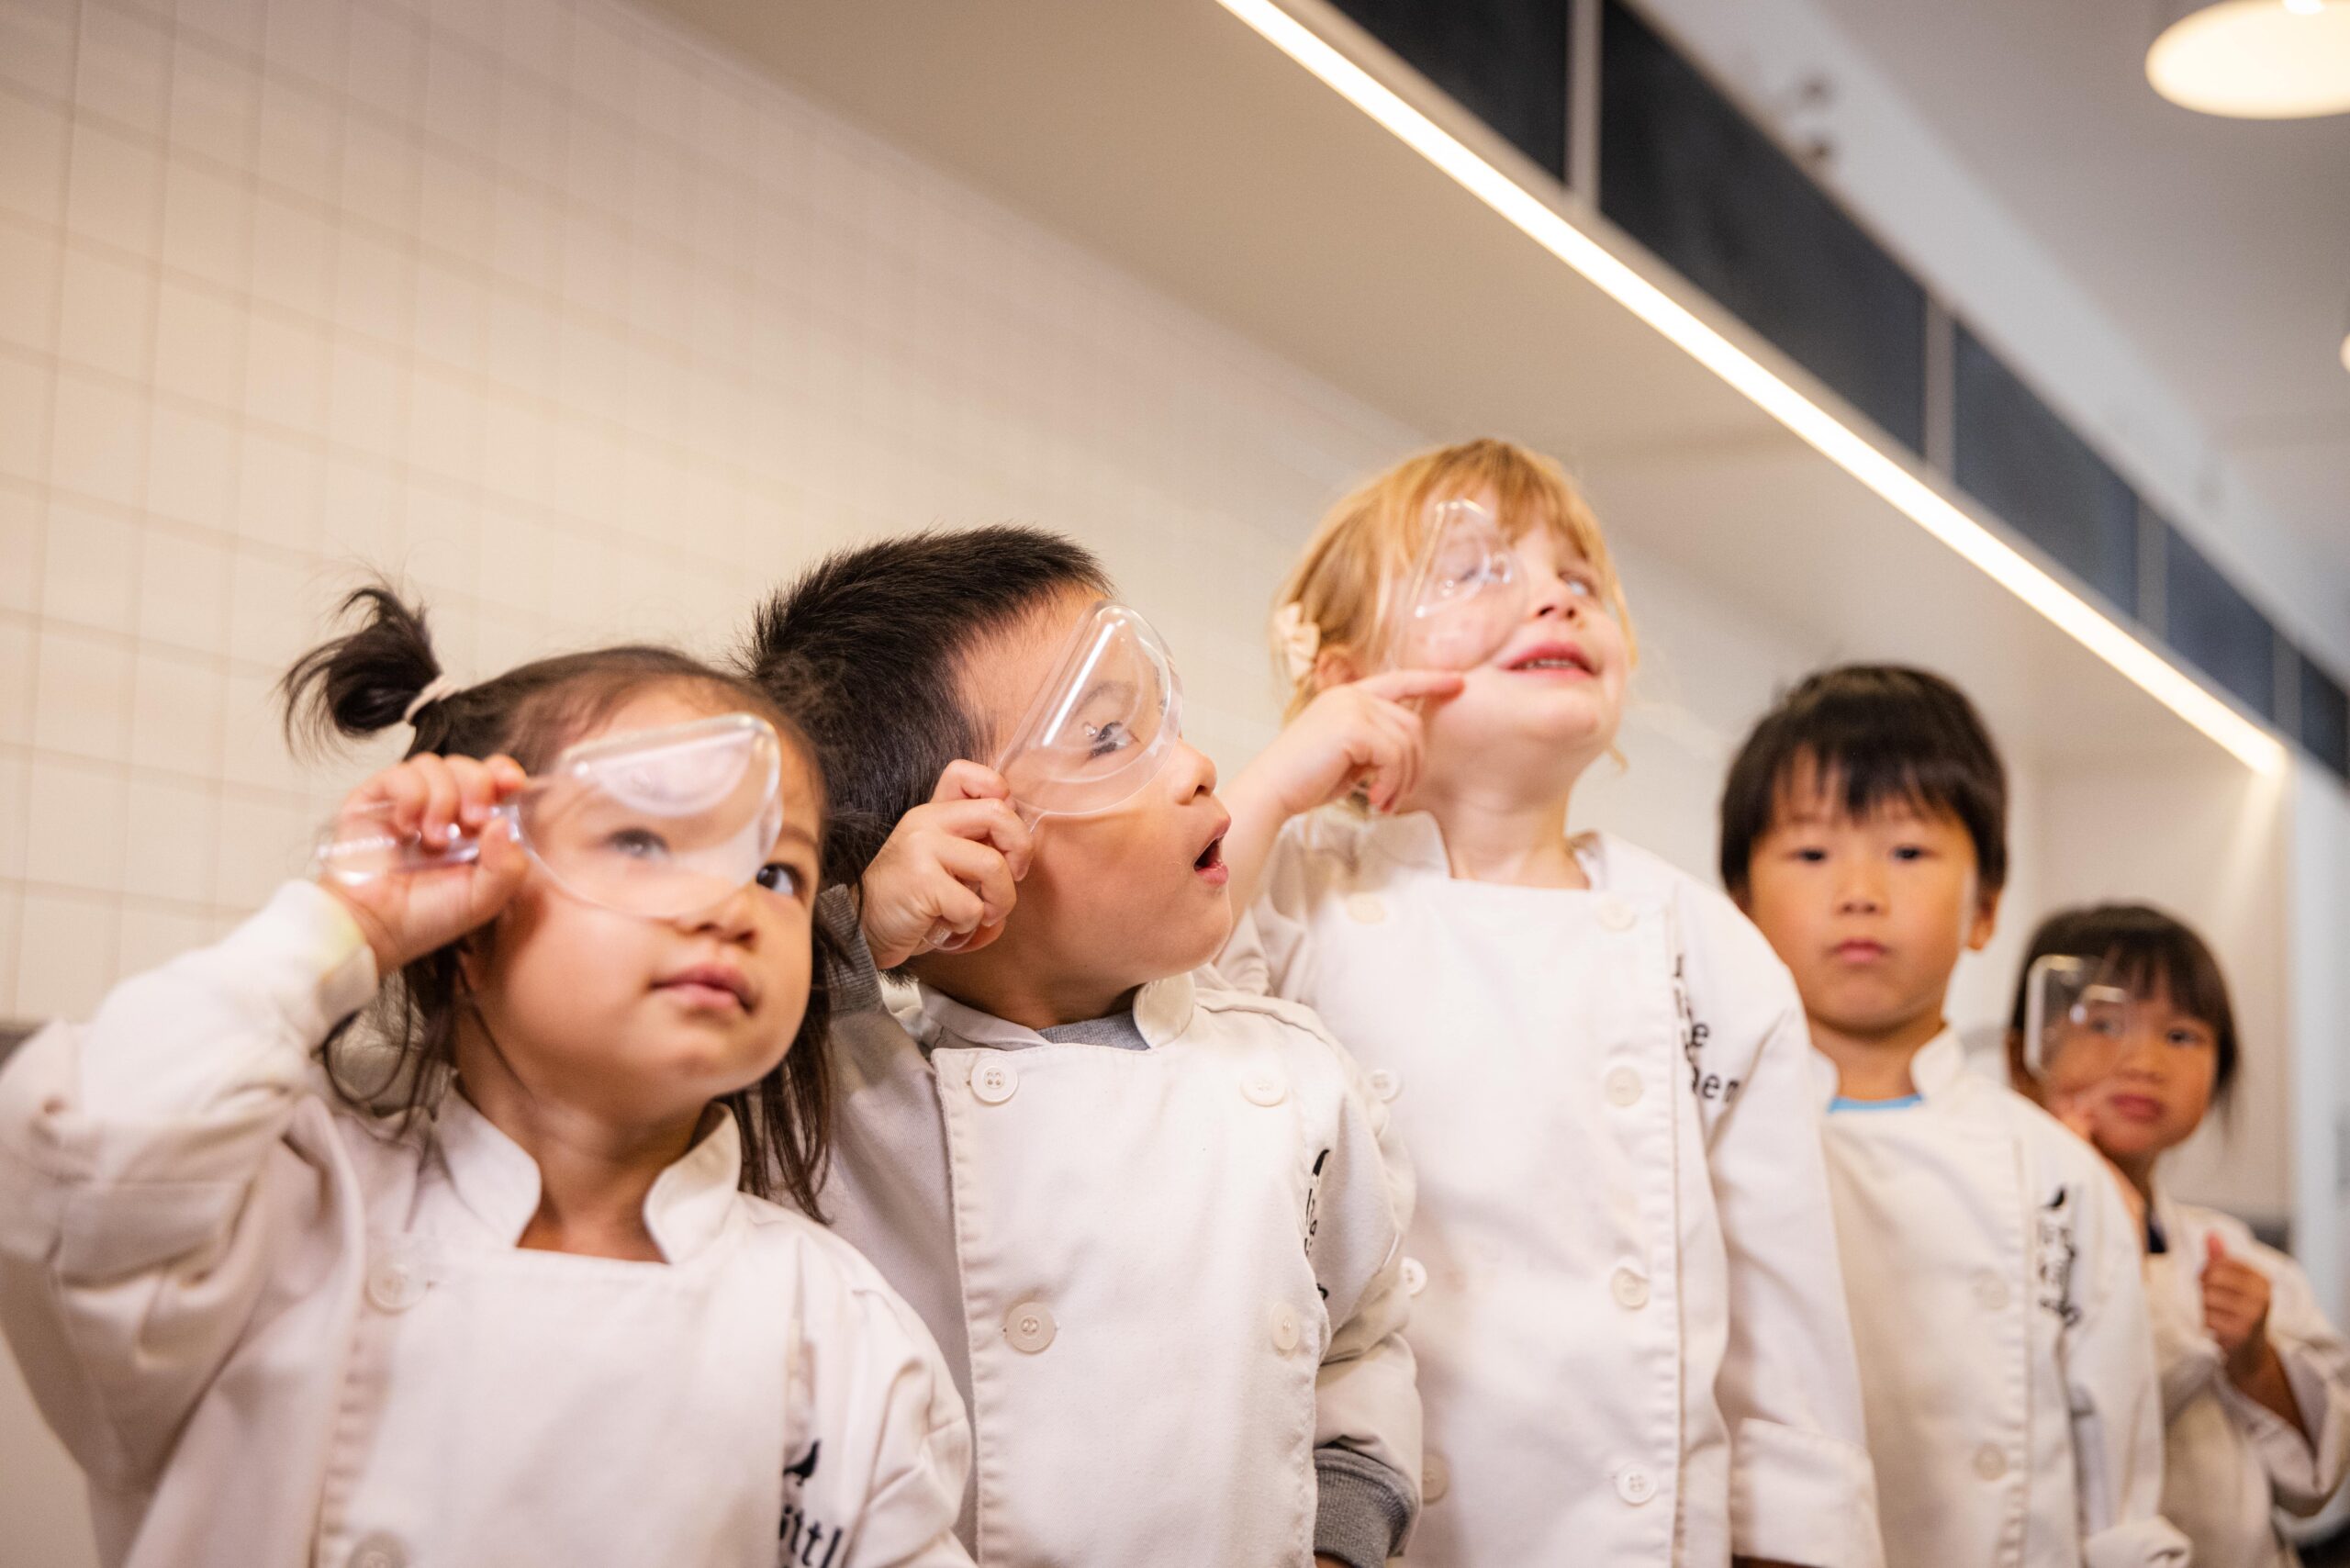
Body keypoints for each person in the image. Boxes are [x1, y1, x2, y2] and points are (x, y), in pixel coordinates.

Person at [0, 587, 971, 1568]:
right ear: (465, 926)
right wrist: (347, 925)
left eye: (774, 873)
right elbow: (84, 1155)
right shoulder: (283, 1225)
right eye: (641, 840)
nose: (729, 904)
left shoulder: (837, 1326)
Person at [1215, 439, 1878, 1566]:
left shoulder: (1702, 949)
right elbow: (1135, 990)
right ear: (1339, 676)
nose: (1551, 597)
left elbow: (1787, 1343)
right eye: (1475, 570)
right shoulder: (1289, 887)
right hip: (1345, 1522)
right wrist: (1277, 780)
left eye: (1578, 578)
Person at [745, 527, 1421, 1568]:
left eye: (1167, 722)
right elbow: (663, 1073)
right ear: (959, 839)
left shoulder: (1289, 1082)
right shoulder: (833, 1082)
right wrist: (849, 925)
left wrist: (1341, 1537)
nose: (1194, 766)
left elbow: (1359, 1344)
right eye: (1109, 739)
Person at [1725, 664, 2187, 1566]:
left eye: (1906, 851)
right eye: (1812, 853)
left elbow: (2120, 1488)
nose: (1860, 889)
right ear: (1739, 906)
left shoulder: (2055, 1173)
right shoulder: (1703, 1151)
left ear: (1985, 909)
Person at [2011, 904, 2350, 1567]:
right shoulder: (1995, 1243)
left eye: (2182, 1036)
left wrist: (2255, 1362)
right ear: (2024, 1055)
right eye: (2104, 1023)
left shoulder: (2242, 1260)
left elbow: (2318, 1478)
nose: (2142, 1061)